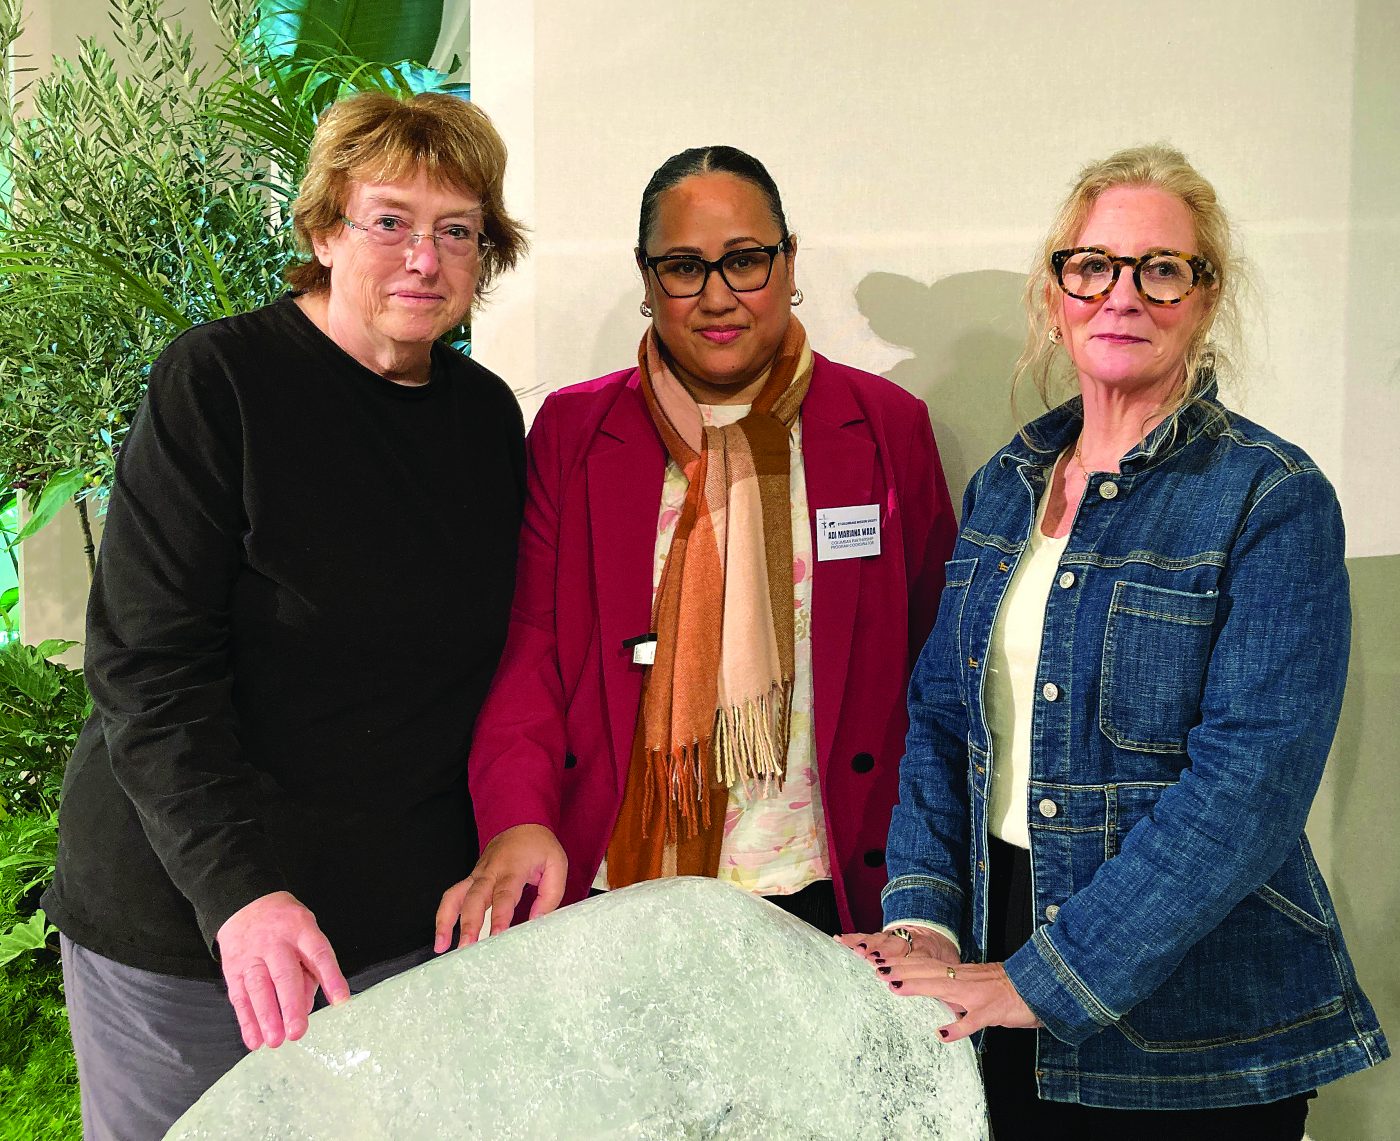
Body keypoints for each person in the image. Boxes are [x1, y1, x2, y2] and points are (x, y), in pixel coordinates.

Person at [841, 144, 1388, 1139]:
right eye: (1091, 265)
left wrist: (1042, 977)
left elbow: (1247, 791)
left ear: (1204, 297)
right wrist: (920, 914)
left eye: (1160, 269)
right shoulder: (1005, 485)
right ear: (1055, 293)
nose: (1120, 295)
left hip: (1193, 1023)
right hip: (992, 957)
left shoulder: (1269, 496)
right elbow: (938, 726)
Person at [43, 91, 528, 1139]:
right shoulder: (220, 382)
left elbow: (483, 668)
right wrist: (241, 896)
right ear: (321, 230)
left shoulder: (485, 418)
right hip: (193, 914)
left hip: (397, 916)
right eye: (388, 220)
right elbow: (148, 668)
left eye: (456, 231)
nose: (423, 259)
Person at [436, 146, 956, 947]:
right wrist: (516, 819)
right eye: (684, 266)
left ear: (788, 263)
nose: (718, 297)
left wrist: (930, 893)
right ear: (648, 282)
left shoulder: (886, 428)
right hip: (621, 880)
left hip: (828, 888)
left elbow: (935, 670)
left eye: (745, 261)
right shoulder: (575, 432)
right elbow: (532, 648)